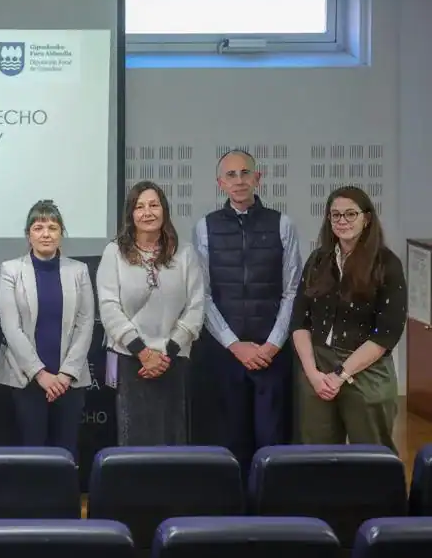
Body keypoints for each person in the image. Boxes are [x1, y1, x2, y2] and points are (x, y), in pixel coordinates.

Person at [193, 149, 302, 471]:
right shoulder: (205, 227)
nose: (239, 181)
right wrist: (234, 345)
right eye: (231, 175)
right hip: (225, 354)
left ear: (258, 178)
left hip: (273, 353)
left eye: (245, 173)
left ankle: (271, 515)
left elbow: (292, 289)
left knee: (272, 442)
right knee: (230, 443)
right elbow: (204, 294)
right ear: (220, 183)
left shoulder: (282, 224)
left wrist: (272, 344)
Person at [291, 186, 406, 452]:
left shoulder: (386, 264)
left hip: (365, 369)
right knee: (317, 455)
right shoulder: (318, 260)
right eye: (335, 215)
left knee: (372, 456)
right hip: (317, 367)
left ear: (367, 219)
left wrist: (341, 375)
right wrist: (313, 374)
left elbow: (386, 334)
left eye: (350, 214)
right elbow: (299, 322)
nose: (342, 221)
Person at [97, 180, 205, 446]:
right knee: (134, 440)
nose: (147, 212)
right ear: (130, 214)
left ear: (164, 210)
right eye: (139, 206)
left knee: (172, 437)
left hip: (173, 360)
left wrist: (164, 354)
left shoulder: (186, 253)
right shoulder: (114, 253)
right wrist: (143, 353)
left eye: (154, 205)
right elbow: (109, 308)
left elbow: (196, 308)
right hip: (130, 360)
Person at [0, 199, 95, 460]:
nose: (46, 234)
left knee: (66, 452)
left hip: (69, 381)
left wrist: (64, 375)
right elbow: (10, 327)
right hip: (25, 378)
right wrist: (41, 374)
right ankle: (32, 502)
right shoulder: (11, 270)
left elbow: (85, 323)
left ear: (61, 233)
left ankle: (65, 502)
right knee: (32, 453)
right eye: (38, 227)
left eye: (52, 227)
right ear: (28, 234)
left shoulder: (79, 270)